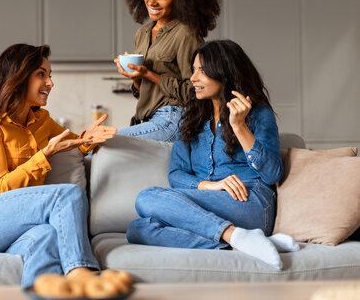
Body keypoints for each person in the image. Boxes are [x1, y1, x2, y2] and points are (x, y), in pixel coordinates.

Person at [0, 44, 117, 286]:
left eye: (50, 75)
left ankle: (42, 292)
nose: (50, 83)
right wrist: (44, 154)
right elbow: (0, 187)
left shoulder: (42, 120)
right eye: (41, 74)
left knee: (48, 236)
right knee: (66, 195)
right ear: (18, 77)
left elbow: (72, 143)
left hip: (16, 229)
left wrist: (87, 138)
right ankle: (81, 273)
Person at [126, 40, 299, 269]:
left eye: (202, 71)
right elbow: (176, 174)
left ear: (224, 74)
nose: (193, 78)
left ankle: (240, 236)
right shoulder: (191, 118)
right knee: (137, 229)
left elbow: (272, 174)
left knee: (147, 198)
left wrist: (239, 127)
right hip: (207, 203)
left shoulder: (258, 113)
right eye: (194, 70)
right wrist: (209, 185)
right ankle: (237, 240)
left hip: (249, 201)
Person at [114, 0, 221, 142]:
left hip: (174, 118)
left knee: (100, 143)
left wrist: (148, 74)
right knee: (96, 148)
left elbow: (195, 91)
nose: (152, 1)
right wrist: (136, 77)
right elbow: (147, 93)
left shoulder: (186, 34)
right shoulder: (143, 33)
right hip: (145, 119)